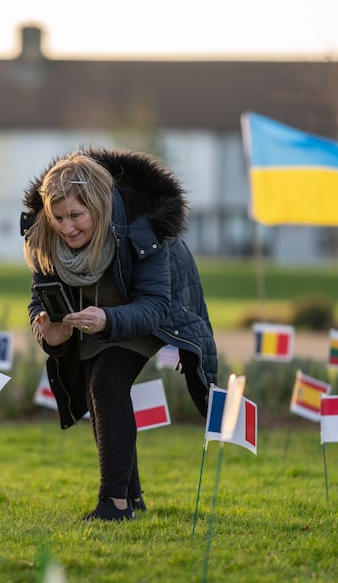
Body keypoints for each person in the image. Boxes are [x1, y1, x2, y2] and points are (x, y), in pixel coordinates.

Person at [20, 148, 218, 522]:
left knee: (108, 380)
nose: (67, 227)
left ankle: (114, 504)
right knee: (97, 386)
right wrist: (51, 334)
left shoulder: (145, 229)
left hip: (152, 312)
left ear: (99, 207)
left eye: (77, 216)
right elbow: (38, 303)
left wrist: (109, 320)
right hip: (94, 316)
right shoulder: (42, 235)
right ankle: (132, 496)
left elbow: (156, 305)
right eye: (58, 217)